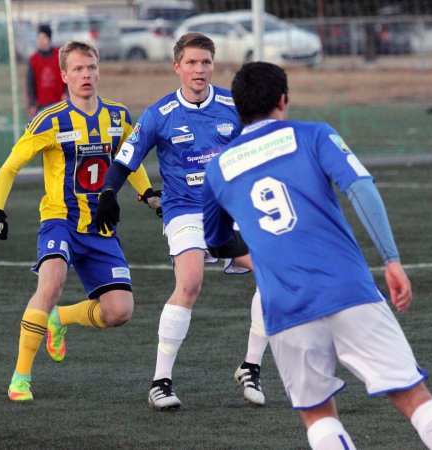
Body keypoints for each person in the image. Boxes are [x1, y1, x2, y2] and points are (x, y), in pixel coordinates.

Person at [202, 62, 432, 450]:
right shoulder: (313, 135)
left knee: (319, 417)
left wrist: (264, 258)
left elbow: (217, 241)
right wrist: (391, 259)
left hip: (285, 306)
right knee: (413, 396)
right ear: (283, 99)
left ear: (237, 109)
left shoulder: (218, 170)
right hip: (348, 289)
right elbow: (360, 188)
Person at [94, 33, 270, 410]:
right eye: (191, 62)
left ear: (213, 65)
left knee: (276, 275)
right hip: (185, 209)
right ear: (177, 67)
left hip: (231, 210)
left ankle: (251, 366)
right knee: (189, 282)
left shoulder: (232, 105)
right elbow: (125, 159)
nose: (199, 69)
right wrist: (109, 193)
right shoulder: (159, 114)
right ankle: (161, 382)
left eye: (205, 62)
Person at [0, 41, 160, 402]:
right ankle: (21, 378)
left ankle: (60, 319)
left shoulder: (118, 116)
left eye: (91, 67)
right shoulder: (50, 120)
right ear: (64, 75)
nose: (86, 75)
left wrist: (147, 193)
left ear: (99, 71)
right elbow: (10, 166)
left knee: (120, 311)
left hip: (100, 227)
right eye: (78, 69)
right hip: (59, 221)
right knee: (51, 283)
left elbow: (130, 159)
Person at [26, 24, 67, 118]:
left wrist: (67, 93)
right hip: (42, 105)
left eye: (43, 38)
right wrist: (31, 104)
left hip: (60, 103)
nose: (40, 41)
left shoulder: (59, 55)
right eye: (39, 38)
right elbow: (30, 84)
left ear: (49, 39)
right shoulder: (33, 59)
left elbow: (68, 75)